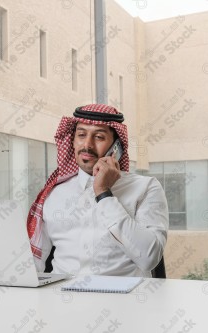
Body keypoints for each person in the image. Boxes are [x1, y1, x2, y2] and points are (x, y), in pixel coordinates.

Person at [27, 103, 169, 277]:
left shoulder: (145, 188)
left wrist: (103, 193)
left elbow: (149, 258)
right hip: (63, 299)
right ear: (72, 140)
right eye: (81, 135)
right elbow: (32, 264)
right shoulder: (54, 193)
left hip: (124, 301)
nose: (87, 144)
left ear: (117, 147)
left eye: (99, 137)